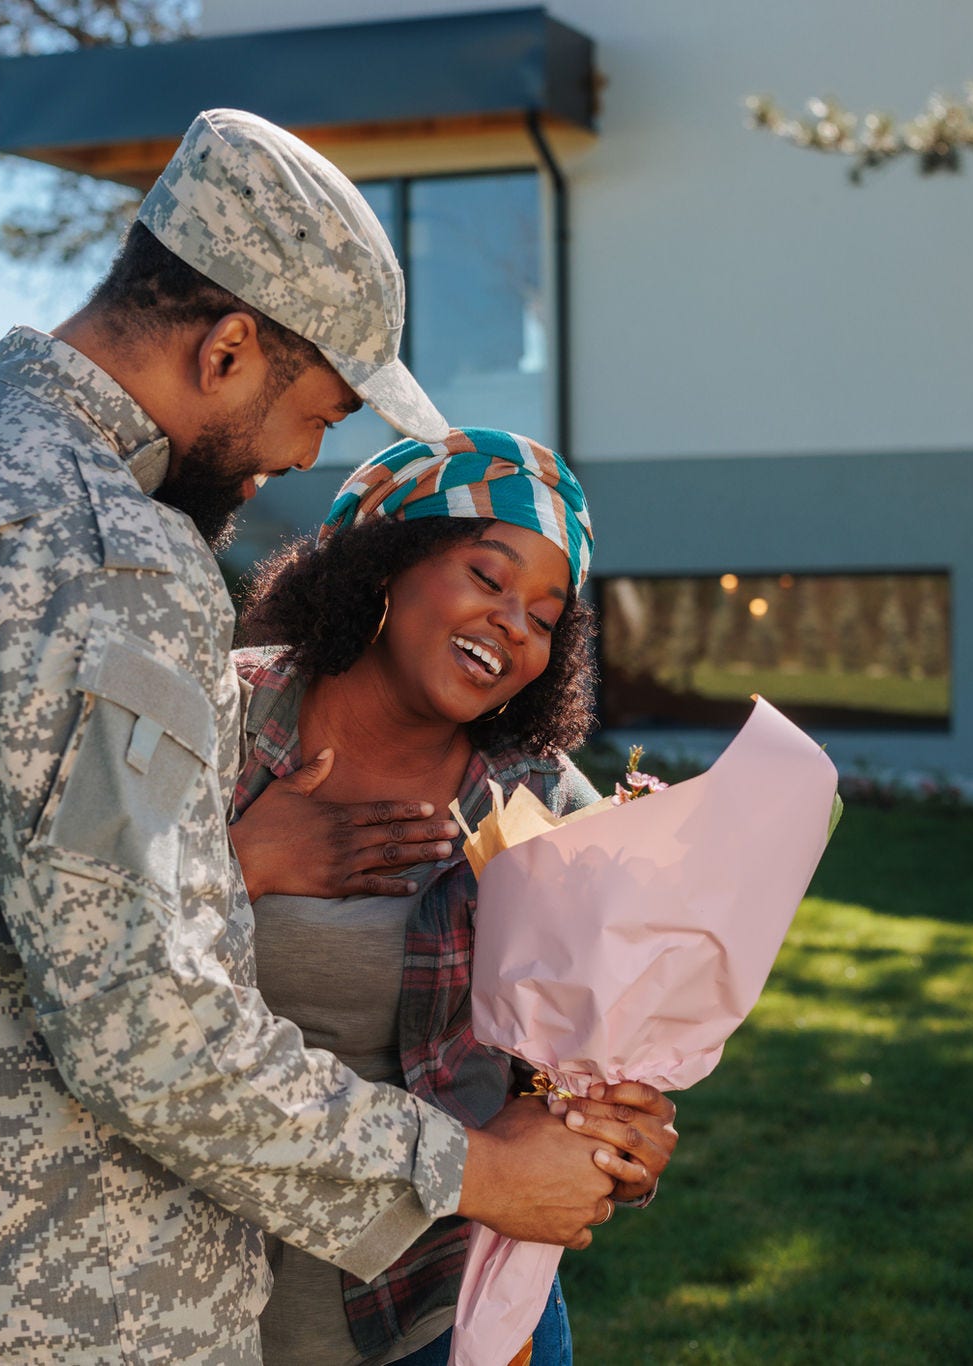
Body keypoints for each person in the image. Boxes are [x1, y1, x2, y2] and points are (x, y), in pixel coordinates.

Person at [0, 109, 626, 1365]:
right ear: (227, 349)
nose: (296, 461)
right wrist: (478, 1174)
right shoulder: (112, 546)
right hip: (78, 1295)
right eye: (317, 414)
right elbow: (145, 1024)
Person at [229, 428, 682, 1365]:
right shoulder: (216, 726)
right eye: (488, 575)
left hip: (444, 1308)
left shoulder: (546, 806)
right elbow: (91, 958)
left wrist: (619, 1137)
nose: (519, 624)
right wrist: (237, 861)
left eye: (549, 616)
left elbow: (588, 1058)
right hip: (199, 1297)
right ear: (385, 564)